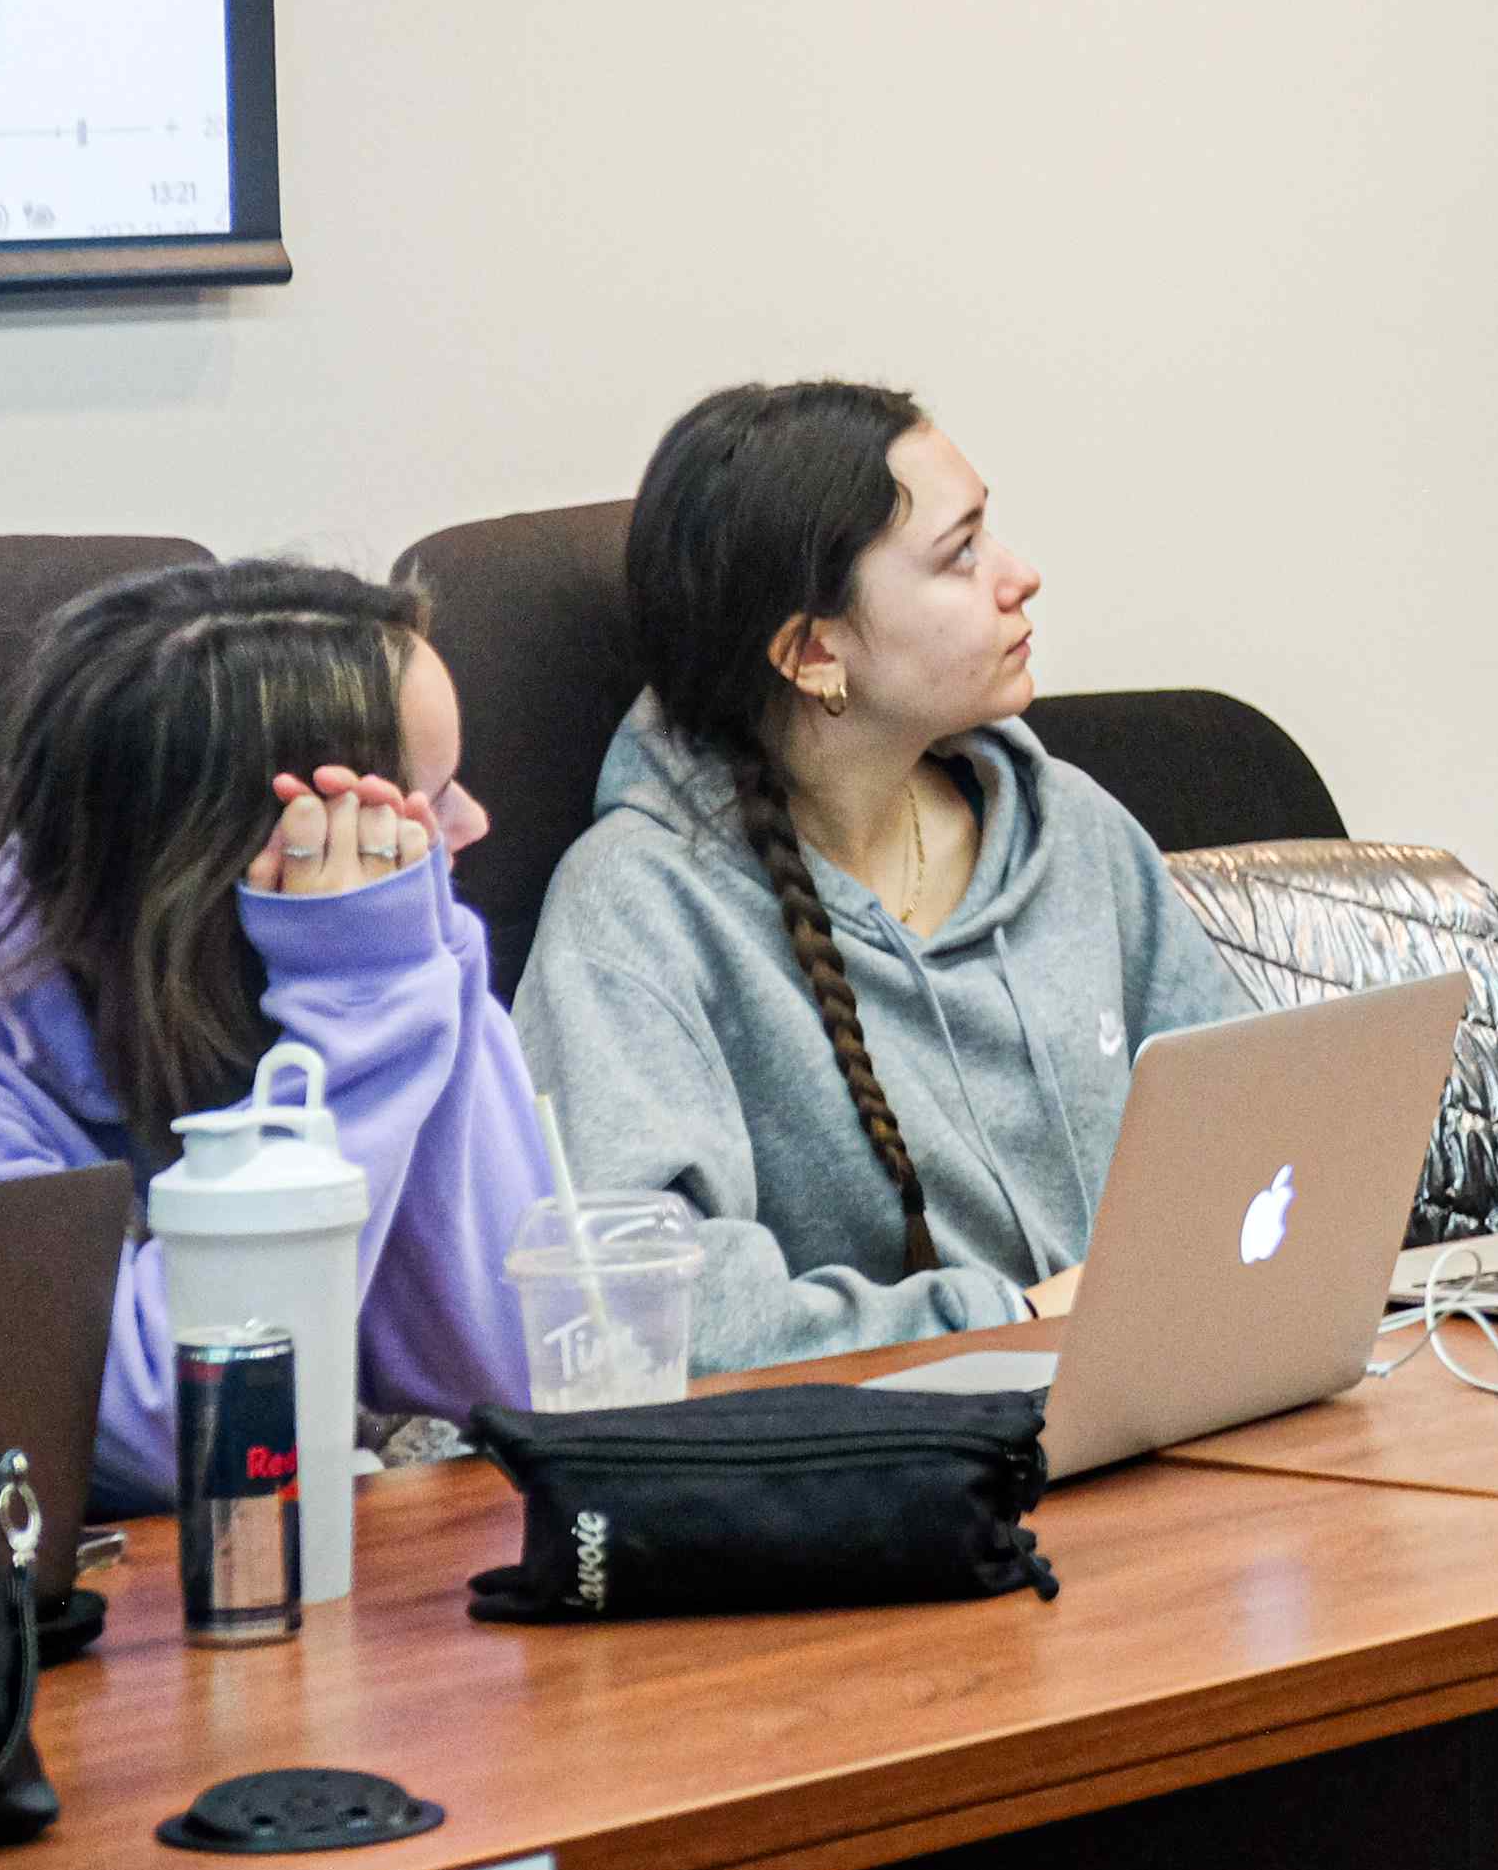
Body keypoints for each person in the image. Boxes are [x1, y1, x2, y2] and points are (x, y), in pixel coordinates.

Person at [515, 381, 1248, 1370]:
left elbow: (1252, 1131)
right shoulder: (637, 911)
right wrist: (1017, 1322)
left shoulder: (1068, 825)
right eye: (961, 555)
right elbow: (645, 1316)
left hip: (1171, 1412)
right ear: (815, 653)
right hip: (903, 1481)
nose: (1020, 576)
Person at [0, 560, 548, 1510]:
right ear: (235, 856)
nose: (472, 823)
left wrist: (412, 964)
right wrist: (360, 1013)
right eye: (433, 792)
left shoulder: (371, 944)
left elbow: (511, 1368)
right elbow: (182, 1439)